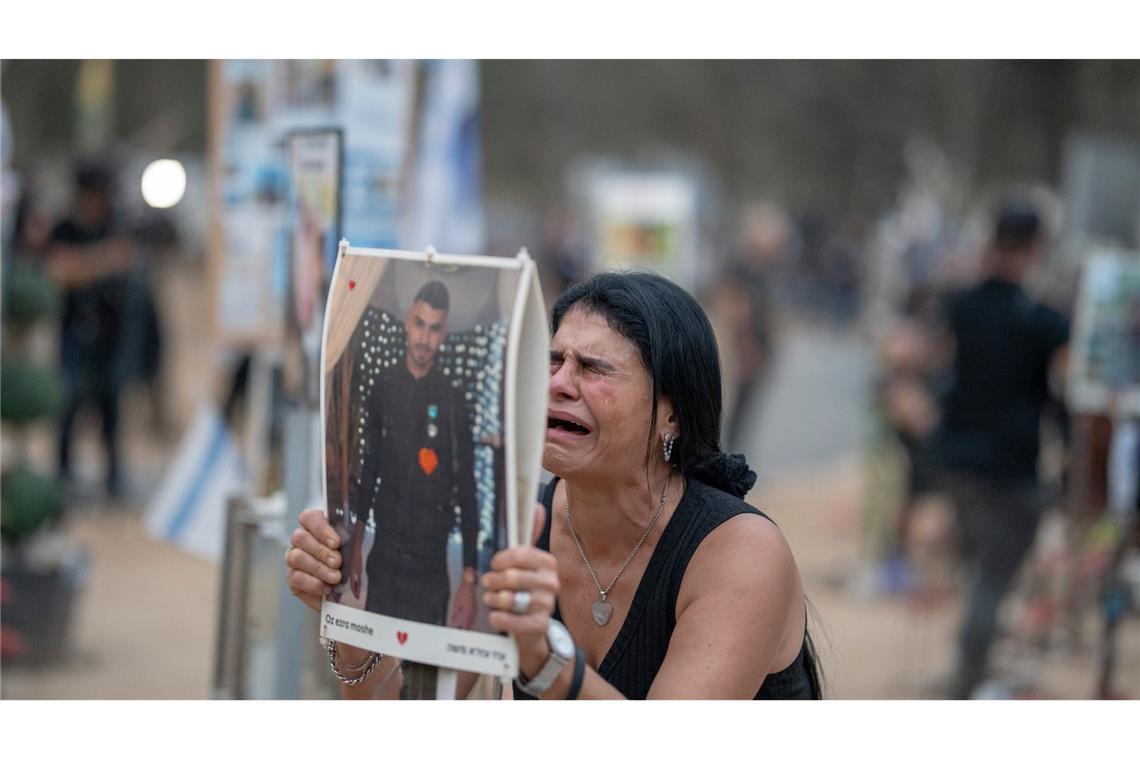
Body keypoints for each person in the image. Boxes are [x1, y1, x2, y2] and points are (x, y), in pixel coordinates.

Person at [287, 270, 822, 699]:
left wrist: (546, 661)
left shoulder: (741, 554)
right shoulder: (517, 527)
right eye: (553, 360)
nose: (559, 384)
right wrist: (352, 623)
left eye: (593, 368)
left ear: (671, 414)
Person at [933, 200, 1069, 699]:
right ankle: (967, 687)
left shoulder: (962, 304)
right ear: (1036, 249)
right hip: (1011, 469)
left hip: (958, 460)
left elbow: (933, 362)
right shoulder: (1044, 320)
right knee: (992, 582)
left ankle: (973, 672)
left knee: (979, 577)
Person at [341, 280, 479, 629]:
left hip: (432, 566)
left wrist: (468, 581)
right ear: (407, 321)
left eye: (434, 329)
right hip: (384, 554)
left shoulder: (453, 400)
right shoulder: (384, 386)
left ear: (444, 332)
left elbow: (466, 488)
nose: (424, 338)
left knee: (423, 676)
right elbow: (369, 466)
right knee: (374, 665)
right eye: (419, 324)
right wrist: (356, 547)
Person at [45, 162, 135, 502]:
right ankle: (63, 478)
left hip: (110, 337)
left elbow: (125, 260)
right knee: (68, 407)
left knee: (110, 411)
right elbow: (59, 270)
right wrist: (101, 261)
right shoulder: (66, 227)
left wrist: (86, 265)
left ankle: (113, 480)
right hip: (73, 334)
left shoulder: (116, 223)